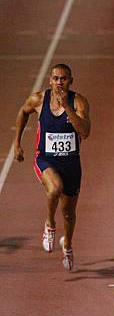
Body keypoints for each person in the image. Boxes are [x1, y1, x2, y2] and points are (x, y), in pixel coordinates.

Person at [13, 63, 91, 270]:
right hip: (46, 159)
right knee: (54, 188)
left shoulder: (78, 102)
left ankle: (68, 245)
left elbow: (85, 132)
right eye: (55, 78)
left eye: (63, 79)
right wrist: (17, 144)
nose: (59, 82)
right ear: (50, 80)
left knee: (69, 213)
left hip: (71, 164)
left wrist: (67, 107)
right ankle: (49, 224)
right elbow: (23, 112)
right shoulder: (39, 99)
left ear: (70, 81)